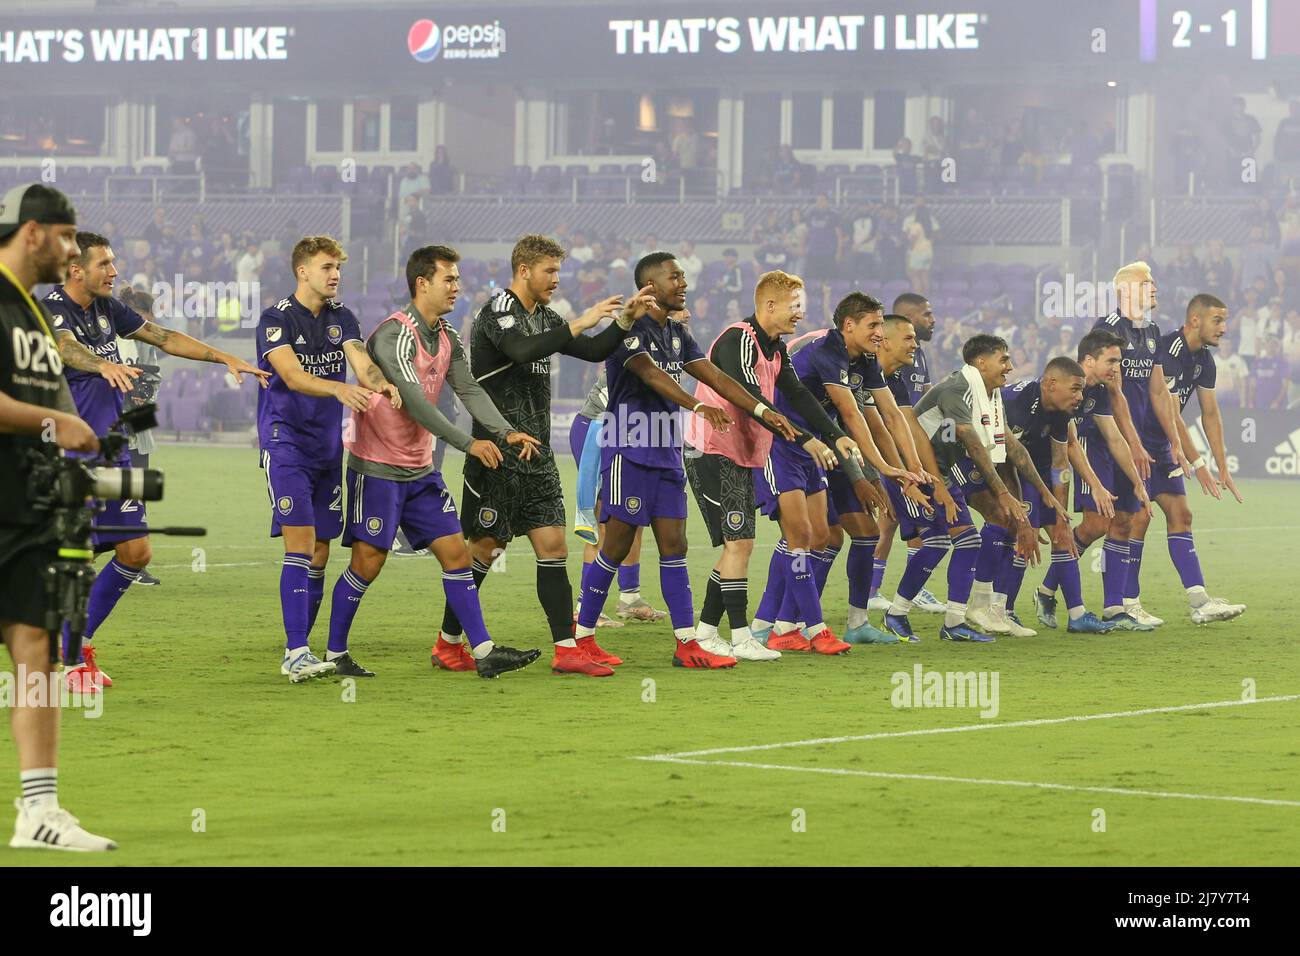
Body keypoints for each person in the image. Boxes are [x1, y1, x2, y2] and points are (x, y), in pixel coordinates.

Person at [45, 231, 268, 691]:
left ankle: (77, 643)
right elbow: (64, 347)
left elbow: (163, 337)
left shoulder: (108, 309)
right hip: (70, 455)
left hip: (115, 449)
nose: (115, 272)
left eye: (114, 263)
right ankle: (66, 662)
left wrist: (224, 356)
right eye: (105, 264)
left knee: (136, 552)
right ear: (75, 269)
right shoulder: (51, 309)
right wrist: (100, 364)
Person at [580, 253, 813, 667]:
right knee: (615, 545)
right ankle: (583, 637)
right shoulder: (628, 331)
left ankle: (689, 643)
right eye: (675, 276)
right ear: (650, 286)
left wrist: (762, 411)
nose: (684, 282)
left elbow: (718, 377)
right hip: (629, 450)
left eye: (684, 274)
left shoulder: (677, 334)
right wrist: (697, 407)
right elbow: (651, 375)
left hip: (667, 452)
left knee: (675, 545)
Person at [329, 245, 543, 678]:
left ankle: (483, 653)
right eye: (449, 279)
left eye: (458, 280)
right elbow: (415, 405)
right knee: (368, 563)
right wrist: (469, 443)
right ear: (422, 283)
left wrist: (504, 431)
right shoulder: (393, 335)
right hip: (378, 470)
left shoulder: (448, 336)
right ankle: (335, 655)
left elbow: (469, 390)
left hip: (421, 470)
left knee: (455, 555)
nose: (456, 287)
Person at [442, 234, 635, 678]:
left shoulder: (545, 316)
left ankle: (566, 649)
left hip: (538, 455)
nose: (556, 280)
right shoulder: (498, 311)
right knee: (486, 550)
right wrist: (581, 320)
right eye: (549, 271)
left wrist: (623, 322)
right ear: (524, 270)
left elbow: (591, 351)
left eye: (558, 272)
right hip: (497, 452)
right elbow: (521, 351)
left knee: (554, 547)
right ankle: (449, 641)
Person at [0, 182, 116, 850]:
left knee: (35, 651)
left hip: (28, 505)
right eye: (68, 236)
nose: (74, 251)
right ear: (34, 230)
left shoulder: (34, 315)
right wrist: (57, 420)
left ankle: (39, 809)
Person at [683, 270, 857, 659]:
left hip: (741, 453)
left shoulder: (775, 346)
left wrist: (832, 434)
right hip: (711, 451)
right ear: (770, 304)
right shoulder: (737, 339)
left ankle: (708, 631)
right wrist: (804, 436)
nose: (800, 313)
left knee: (737, 544)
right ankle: (744, 636)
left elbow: (796, 392)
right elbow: (748, 396)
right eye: (795, 306)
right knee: (739, 543)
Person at [255, 236, 400, 683]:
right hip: (285, 444)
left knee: (319, 550)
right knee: (300, 543)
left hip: (325, 447)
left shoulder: (343, 317)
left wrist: (382, 384)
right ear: (302, 271)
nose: (335, 274)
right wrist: (339, 389)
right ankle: (295, 651)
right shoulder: (275, 318)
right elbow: (293, 375)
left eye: (338, 267)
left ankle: (303, 644)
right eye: (326, 267)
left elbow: (361, 363)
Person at [753, 300, 927, 649]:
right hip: (781, 443)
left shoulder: (862, 361)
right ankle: (769, 624)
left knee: (839, 535)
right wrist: (879, 469)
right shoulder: (827, 351)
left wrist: (912, 468)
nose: (878, 333)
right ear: (849, 325)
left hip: (819, 449)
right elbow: (850, 415)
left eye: (881, 326)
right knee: (802, 536)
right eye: (873, 326)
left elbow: (889, 416)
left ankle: (810, 624)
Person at [882, 335, 1065, 644]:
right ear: (981, 362)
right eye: (1003, 359)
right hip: (913, 472)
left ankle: (954, 620)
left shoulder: (991, 395)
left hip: (942, 472)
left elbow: (1012, 445)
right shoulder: (957, 389)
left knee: (966, 540)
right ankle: (899, 614)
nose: (1010, 366)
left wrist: (1043, 490)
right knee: (943, 542)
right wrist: (1004, 494)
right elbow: (972, 443)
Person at [967, 357, 1116, 636]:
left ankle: (1077, 615)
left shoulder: (1061, 411)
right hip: (1006, 469)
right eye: (1074, 389)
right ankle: (1002, 610)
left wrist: (1060, 510)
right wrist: (1022, 516)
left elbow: (1061, 464)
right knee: (1025, 536)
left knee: (1063, 534)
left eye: (1081, 390)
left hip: (1038, 470)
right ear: (1050, 384)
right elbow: (1002, 461)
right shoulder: (1015, 403)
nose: (1080, 397)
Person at [1090, 262, 1197, 628]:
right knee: (1105, 524)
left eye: (1153, 281)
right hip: (1108, 440)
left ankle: (1117, 606)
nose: (1153, 287)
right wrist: (1130, 442)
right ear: (1125, 291)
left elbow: (1157, 390)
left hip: (1141, 443)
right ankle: (1062, 587)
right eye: (1145, 282)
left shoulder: (1152, 332)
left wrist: (1175, 442)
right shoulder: (1107, 330)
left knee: (1127, 520)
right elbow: (1113, 394)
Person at [1035, 329, 1150, 631]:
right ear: (1088, 360)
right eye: (1112, 360)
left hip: (1099, 449)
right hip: (1077, 450)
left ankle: (1112, 608)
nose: (1117, 367)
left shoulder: (1098, 390)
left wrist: (1136, 480)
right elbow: (1069, 443)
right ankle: (1045, 593)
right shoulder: (1070, 386)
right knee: (1098, 524)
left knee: (1122, 521)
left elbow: (1113, 435)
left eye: (1119, 361)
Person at [1153, 294, 1246, 622]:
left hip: (1163, 448)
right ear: (1195, 320)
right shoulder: (1166, 351)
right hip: (1135, 444)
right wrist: (1199, 463)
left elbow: (1211, 414)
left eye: (1225, 320)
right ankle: (1052, 589)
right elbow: (1170, 412)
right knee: (1108, 524)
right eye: (1218, 320)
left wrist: (1223, 466)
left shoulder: (1204, 360)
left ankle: (1199, 601)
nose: (1224, 328)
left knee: (1181, 515)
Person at [570, 367, 669, 625]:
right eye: (681, 321)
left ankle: (629, 598)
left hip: (629, 433)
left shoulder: (669, 342)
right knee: (603, 523)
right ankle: (584, 606)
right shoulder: (639, 344)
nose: (686, 323)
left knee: (632, 519)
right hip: (597, 430)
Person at [870, 293, 942, 613]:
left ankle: (871, 591)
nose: (933, 319)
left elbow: (917, 404)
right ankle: (913, 590)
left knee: (888, 523)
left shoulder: (915, 358)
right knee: (915, 521)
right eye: (926, 314)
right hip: (882, 447)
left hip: (904, 441)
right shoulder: (868, 366)